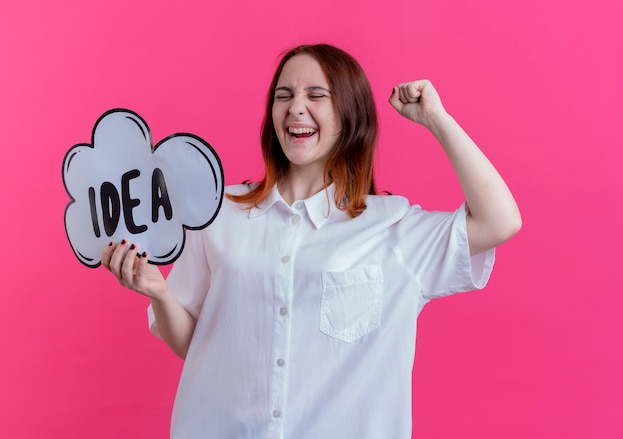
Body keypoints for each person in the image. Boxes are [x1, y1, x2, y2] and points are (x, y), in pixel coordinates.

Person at [102, 43, 521, 439]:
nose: (295, 107)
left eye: (316, 94)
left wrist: (435, 118)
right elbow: (197, 345)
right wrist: (158, 291)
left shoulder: (394, 230)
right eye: (283, 95)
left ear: (348, 115)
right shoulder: (219, 212)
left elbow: (500, 221)